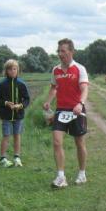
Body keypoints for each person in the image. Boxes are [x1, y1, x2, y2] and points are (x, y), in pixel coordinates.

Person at [43, 38, 89, 188]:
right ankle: (61, 177)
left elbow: (84, 89)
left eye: (63, 51)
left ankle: (82, 173)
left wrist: (80, 104)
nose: (60, 54)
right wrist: (48, 101)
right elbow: (53, 88)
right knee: (57, 142)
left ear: (71, 52)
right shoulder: (55, 70)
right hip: (61, 110)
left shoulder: (79, 69)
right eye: (58, 51)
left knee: (79, 142)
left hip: (76, 110)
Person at [0, 59, 30, 167]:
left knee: (17, 135)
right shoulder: (2, 84)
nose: (12, 71)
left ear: (17, 70)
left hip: (18, 115)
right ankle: (3, 159)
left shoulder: (21, 84)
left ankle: (17, 158)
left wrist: (20, 105)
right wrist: (6, 103)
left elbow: (27, 99)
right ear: (6, 71)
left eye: (14, 69)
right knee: (6, 135)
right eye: (10, 69)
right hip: (6, 115)